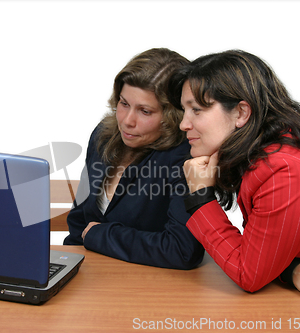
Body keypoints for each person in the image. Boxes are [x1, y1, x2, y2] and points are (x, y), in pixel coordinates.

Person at [167, 49, 300, 300]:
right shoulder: (271, 154)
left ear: (241, 113)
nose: (184, 124)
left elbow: (249, 274)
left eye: (196, 110)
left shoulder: (285, 172)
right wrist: (292, 270)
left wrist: (200, 198)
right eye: (184, 111)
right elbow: (263, 253)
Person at [63, 48, 204, 269]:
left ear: (172, 116)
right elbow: (80, 218)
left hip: (150, 284)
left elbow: (183, 249)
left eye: (145, 111)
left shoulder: (186, 157)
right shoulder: (103, 135)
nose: (127, 121)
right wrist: (68, 264)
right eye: (124, 103)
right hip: (92, 276)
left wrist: (99, 235)